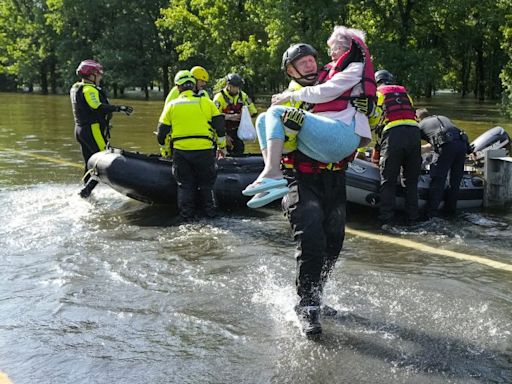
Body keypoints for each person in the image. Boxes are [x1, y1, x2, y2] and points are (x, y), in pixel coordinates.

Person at [245, 26, 375, 336]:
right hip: (300, 178)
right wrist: (293, 122)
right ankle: (307, 307)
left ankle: (317, 296)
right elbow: (277, 131)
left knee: (334, 243)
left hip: (334, 177)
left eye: (310, 59)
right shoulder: (291, 97)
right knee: (312, 240)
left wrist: (369, 106)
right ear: (290, 70)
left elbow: (360, 102)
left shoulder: (334, 81)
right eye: (299, 63)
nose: (308, 64)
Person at [156, 70, 226, 221]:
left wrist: (166, 150)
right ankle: (211, 215)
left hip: (181, 152)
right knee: (207, 185)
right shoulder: (206, 102)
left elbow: (161, 134)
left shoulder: (172, 105)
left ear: (178, 87)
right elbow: (220, 126)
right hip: (205, 151)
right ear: (194, 86)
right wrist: (221, 146)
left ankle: (186, 218)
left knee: (185, 185)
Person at [70, 59, 133, 198]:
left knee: (89, 162)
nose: (100, 77)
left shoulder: (76, 88)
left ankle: (86, 193)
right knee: (103, 160)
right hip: (92, 130)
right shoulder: (88, 89)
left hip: (80, 130)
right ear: (91, 75)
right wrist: (119, 108)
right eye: (98, 75)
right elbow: (96, 106)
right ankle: (86, 191)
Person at [369, 69, 421, 226]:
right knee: (411, 182)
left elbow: (372, 120)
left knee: (388, 181)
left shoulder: (378, 94)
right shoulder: (405, 94)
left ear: (377, 82)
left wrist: (359, 150)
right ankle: (413, 220)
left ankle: (386, 221)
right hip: (414, 134)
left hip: (394, 136)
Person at [416, 108, 472, 218]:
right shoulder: (442, 118)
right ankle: (450, 212)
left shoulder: (420, 125)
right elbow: (447, 135)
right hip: (462, 145)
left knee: (438, 179)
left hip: (446, 147)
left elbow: (412, 145)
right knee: (455, 180)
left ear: (417, 119)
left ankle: (431, 214)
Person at [161, 66, 211, 158]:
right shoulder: (176, 92)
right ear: (194, 80)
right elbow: (167, 114)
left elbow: (209, 116)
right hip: (178, 134)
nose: (204, 84)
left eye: (205, 82)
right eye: (201, 81)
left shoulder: (204, 94)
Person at [213, 73, 258, 156]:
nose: (236, 89)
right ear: (228, 85)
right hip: (223, 131)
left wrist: (244, 114)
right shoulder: (219, 98)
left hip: (237, 131)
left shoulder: (243, 96)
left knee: (239, 148)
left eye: (238, 87)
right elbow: (214, 118)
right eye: (234, 87)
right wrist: (229, 117)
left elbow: (253, 112)